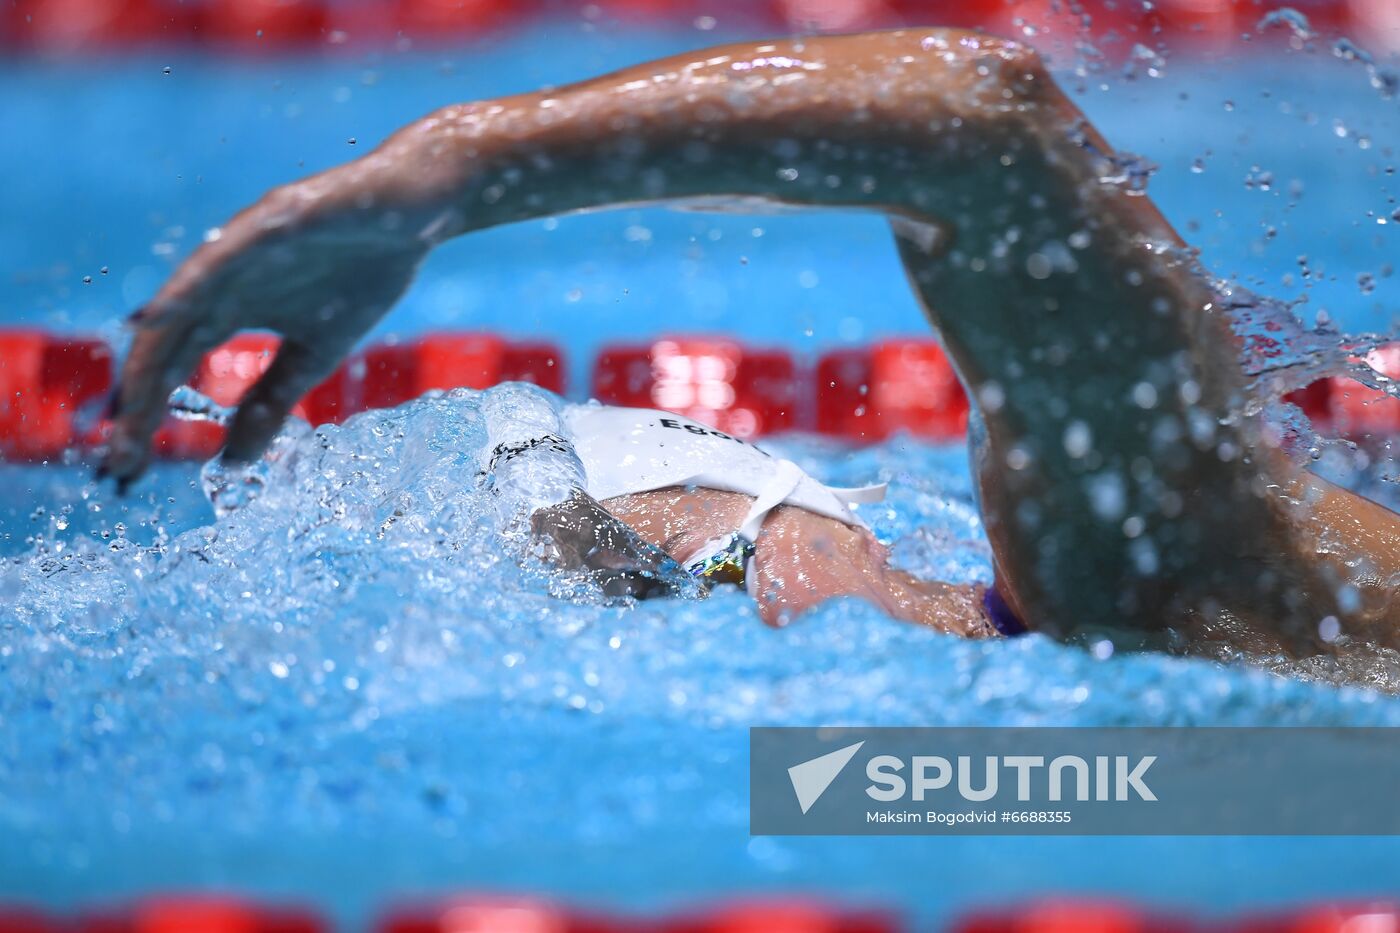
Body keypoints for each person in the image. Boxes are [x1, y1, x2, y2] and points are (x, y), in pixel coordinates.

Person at [97, 28, 1399, 656]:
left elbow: (987, 121)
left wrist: (451, 169)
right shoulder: (1152, 583)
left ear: (815, 512)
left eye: (716, 578)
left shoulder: (1149, 569)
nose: (758, 620)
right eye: (687, 592)